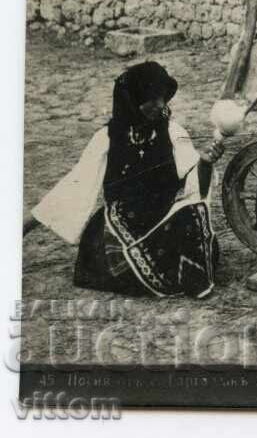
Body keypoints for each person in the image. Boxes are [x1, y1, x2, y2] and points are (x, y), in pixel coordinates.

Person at [25, 62, 225, 298]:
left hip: (162, 218)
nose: (160, 105)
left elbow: (194, 186)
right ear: (133, 100)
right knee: (122, 264)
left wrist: (206, 162)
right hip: (122, 223)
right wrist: (24, 227)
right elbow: (74, 186)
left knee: (193, 218)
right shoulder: (106, 139)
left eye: (163, 98)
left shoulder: (173, 132)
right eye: (152, 99)